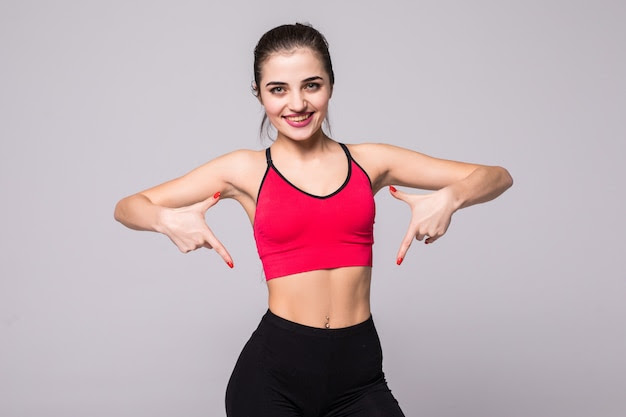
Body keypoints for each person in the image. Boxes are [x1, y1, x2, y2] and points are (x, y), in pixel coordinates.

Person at [114, 23, 512, 417]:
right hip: (272, 379)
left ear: (331, 85)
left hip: (358, 377)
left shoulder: (370, 161)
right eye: (278, 89)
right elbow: (129, 206)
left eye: (311, 85)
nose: (297, 104)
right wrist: (165, 221)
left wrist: (451, 198)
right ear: (259, 94)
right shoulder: (245, 169)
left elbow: (497, 176)